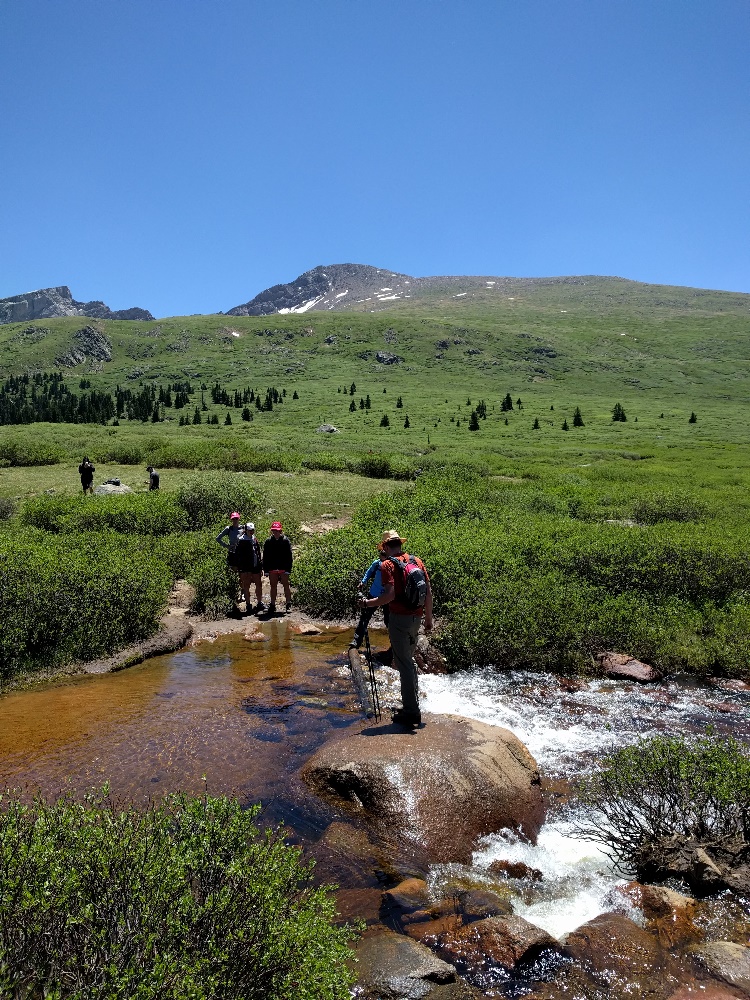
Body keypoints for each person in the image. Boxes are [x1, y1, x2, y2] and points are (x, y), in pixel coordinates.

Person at [360, 529, 432, 728]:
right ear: (400, 544)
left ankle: (411, 712)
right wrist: (429, 619)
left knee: (404, 664)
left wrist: (367, 603)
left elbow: (389, 596)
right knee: (408, 661)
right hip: (416, 618)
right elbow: (428, 592)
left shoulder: (387, 565)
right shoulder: (416, 561)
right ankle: (412, 705)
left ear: (385, 547)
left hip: (399, 619)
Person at [350, 549, 389, 649]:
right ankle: (356, 641)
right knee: (365, 618)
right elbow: (369, 572)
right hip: (374, 594)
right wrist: (363, 582)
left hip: (387, 596)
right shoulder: (376, 563)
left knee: (388, 620)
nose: (382, 559)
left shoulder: (392, 564)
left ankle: (394, 644)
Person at [262, 521, 293, 614]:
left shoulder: (285, 541)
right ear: (272, 531)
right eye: (274, 531)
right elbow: (265, 557)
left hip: (283, 568)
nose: (276, 532)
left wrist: (288, 569)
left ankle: (288, 604)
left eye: (277, 531)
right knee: (273, 586)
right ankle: (272, 605)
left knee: (286, 586)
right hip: (272, 568)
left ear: (281, 531)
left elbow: (289, 556)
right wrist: (266, 570)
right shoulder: (268, 542)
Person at [234, 522, 264, 613]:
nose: (251, 532)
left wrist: (260, 566)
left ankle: (259, 603)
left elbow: (258, 553)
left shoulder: (254, 539)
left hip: (255, 566)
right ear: (246, 530)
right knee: (246, 586)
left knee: (258, 584)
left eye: (252, 530)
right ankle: (248, 604)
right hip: (245, 568)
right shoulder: (241, 540)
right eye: (250, 530)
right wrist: (240, 568)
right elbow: (238, 555)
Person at [216, 512, 243, 584]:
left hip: (241, 553)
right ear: (231, 520)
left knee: (242, 573)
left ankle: (243, 591)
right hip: (232, 553)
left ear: (239, 519)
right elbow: (218, 538)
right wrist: (226, 546)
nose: (235, 520)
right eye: (233, 519)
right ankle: (233, 588)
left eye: (236, 518)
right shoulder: (229, 529)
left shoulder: (243, 528)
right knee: (234, 572)